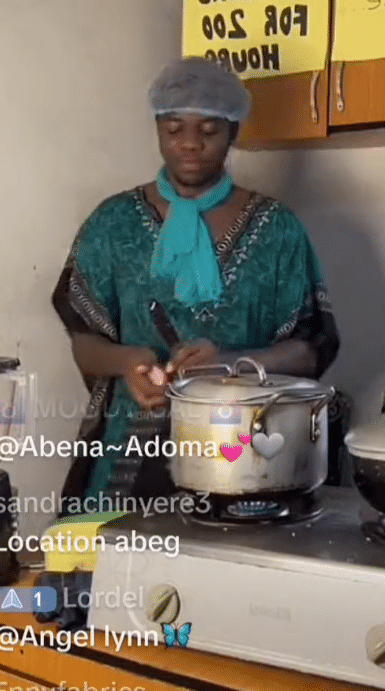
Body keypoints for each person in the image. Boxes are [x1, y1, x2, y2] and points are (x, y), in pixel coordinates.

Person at [52, 56, 340, 511]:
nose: (190, 144)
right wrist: (128, 361)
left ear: (233, 133)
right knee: (117, 555)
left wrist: (229, 364)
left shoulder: (279, 230)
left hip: (245, 456)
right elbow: (83, 340)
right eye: (174, 129)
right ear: (157, 129)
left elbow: (309, 349)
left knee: (226, 555)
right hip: (129, 451)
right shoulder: (112, 224)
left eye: (209, 131)